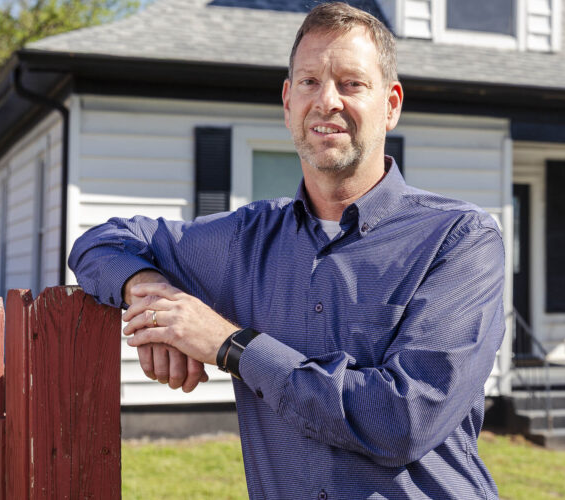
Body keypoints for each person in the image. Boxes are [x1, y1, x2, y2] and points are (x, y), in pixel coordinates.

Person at [69, 2, 504, 498]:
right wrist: (154, 295)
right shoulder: (245, 240)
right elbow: (101, 243)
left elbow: (402, 419)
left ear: (392, 103)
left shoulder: (458, 238)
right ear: (287, 101)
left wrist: (230, 345)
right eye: (309, 82)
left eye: (352, 83)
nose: (327, 101)